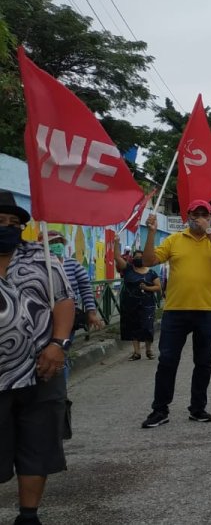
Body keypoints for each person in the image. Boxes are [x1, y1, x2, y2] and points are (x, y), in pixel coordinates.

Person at [0, 190, 73, 525]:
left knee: (38, 446)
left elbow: (63, 300)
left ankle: (28, 516)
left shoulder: (41, 257)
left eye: (13, 223)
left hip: (41, 369)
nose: (7, 227)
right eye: (0, 221)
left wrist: (58, 344)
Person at [139, 200, 211, 429]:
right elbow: (148, 261)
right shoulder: (175, 239)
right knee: (167, 360)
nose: (199, 218)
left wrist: (209, 231)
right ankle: (160, 410)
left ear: (210, 218)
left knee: (203, 361)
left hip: (208, 310)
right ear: (187, 216)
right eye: (194, 214)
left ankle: (198, 408)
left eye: (204, 214)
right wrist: (151, 233)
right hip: (176, 310)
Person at [43, 230, 103, 381]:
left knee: (61, 352)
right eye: (52, 243)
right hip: (43, 319)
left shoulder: (72, 264)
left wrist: (91, 312)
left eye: (59, 242)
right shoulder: (39, 266)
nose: (56, 246)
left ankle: (61, 388)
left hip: (67, 319)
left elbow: (85, 288)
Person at [115, 248, 161, 361]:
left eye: (141, 257)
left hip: (147, 304)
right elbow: (117, 257)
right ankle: (136, 353)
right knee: (133, 326)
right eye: (136, 257)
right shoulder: (128, 269)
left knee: (147, 327)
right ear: (132, 259)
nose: (138, 259)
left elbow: (158, 287)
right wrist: (116, 243)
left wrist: (147, 288)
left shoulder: (151, 273)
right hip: (130, 304)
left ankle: (148, 350)